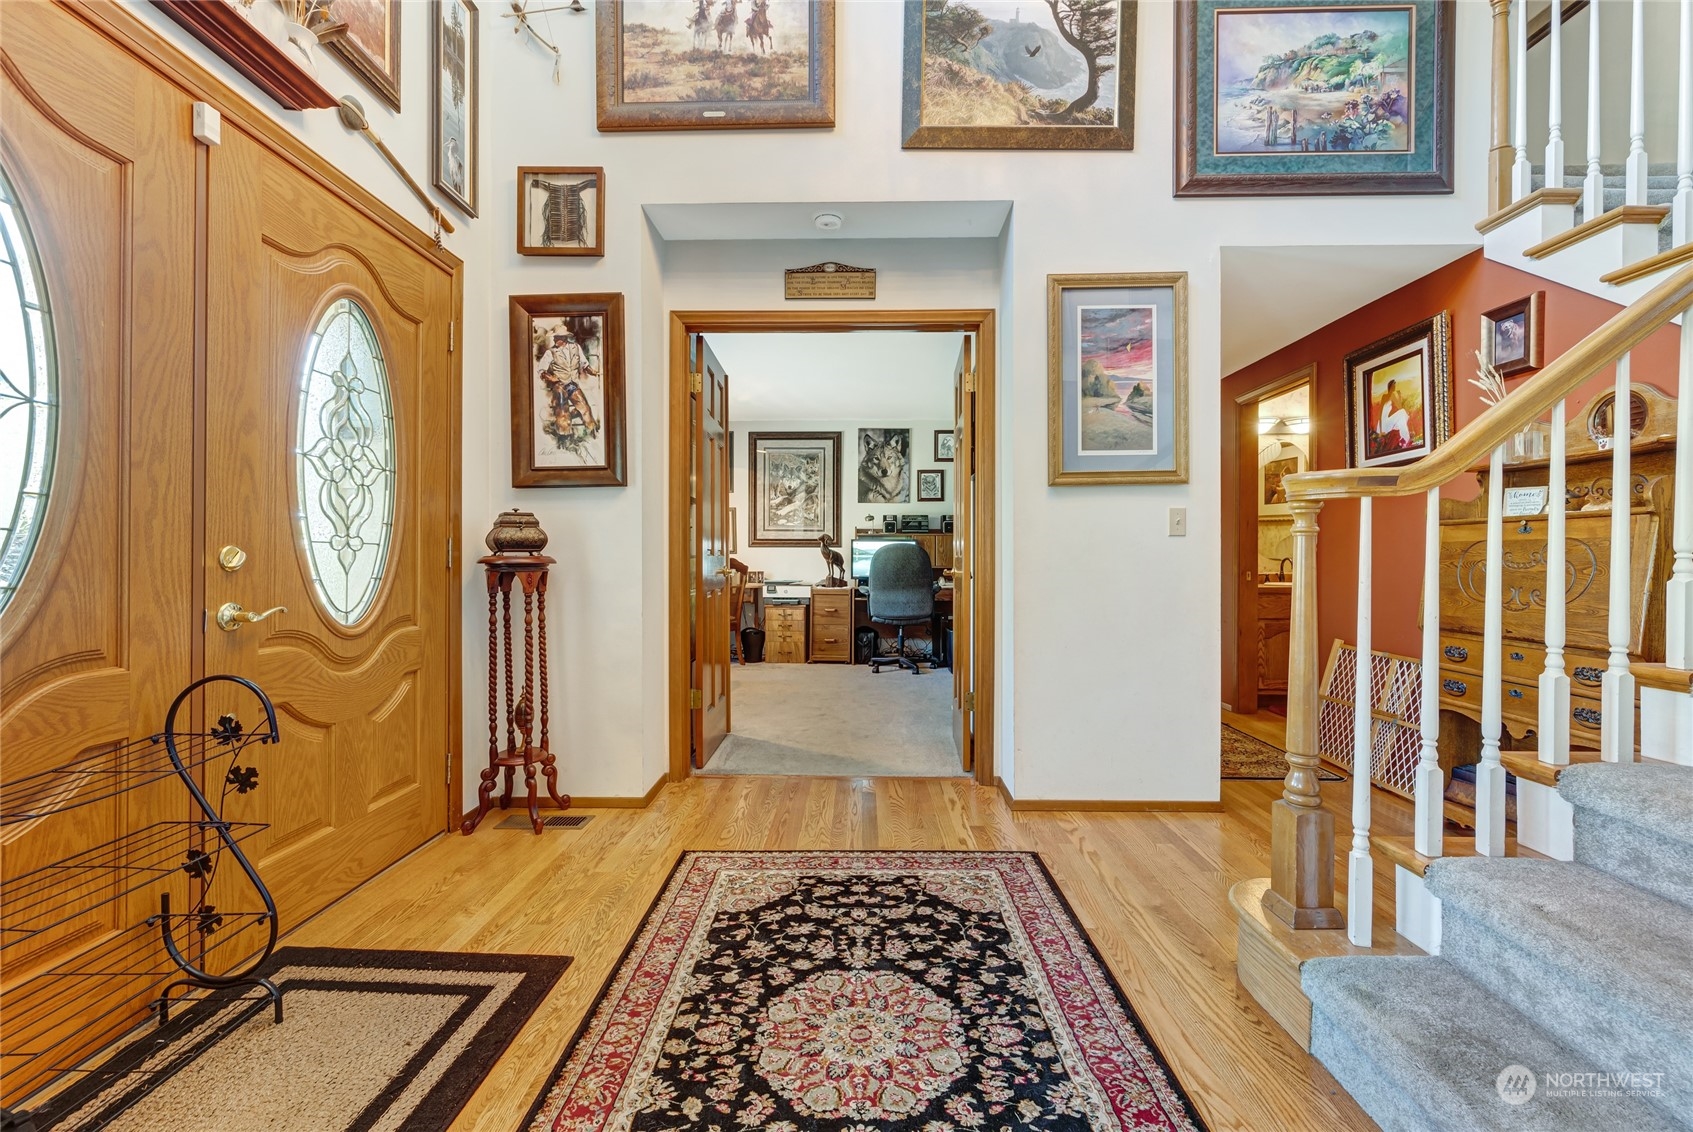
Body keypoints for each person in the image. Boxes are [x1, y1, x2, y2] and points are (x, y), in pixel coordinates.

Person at [537, 329, 599, 448]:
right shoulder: (551, 352)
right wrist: (551, 378)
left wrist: (593, 372)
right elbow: (541, 371)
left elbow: (584, 364)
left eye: (557, 338)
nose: (554, 340)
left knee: (585, 407)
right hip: (559, 385)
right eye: (554, 338)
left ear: (564, 338)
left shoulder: (575, 347)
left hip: (572, 384)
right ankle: (564, 440)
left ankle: (593, 433)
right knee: (562, 411)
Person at [1377, 379, 1412, 449]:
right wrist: (1399, 396)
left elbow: (1381, 413)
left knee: (1401, 416)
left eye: (1395, 386)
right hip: (1384, 426)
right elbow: (1400, 407)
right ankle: (1405, 440)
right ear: (1390, 387)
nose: (1394, 388)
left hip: (1382, 425)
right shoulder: (1391, 395)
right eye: (1394, 386)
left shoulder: (1384, 396)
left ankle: (1404, 440)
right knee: (1402, 413)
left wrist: (1380, 430)